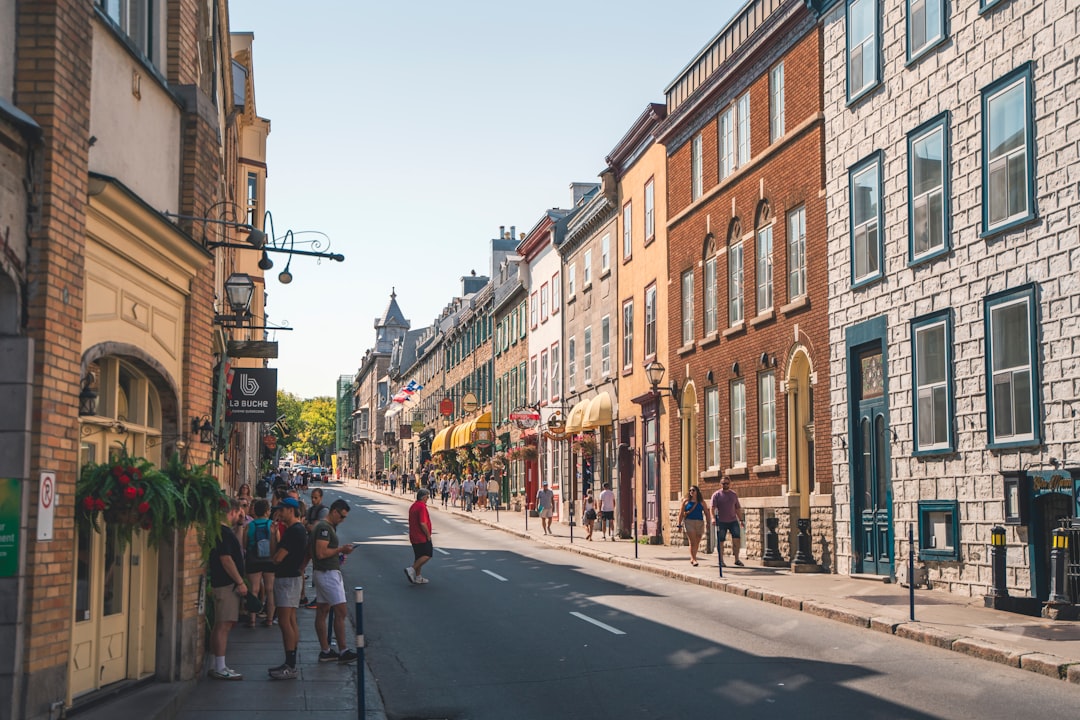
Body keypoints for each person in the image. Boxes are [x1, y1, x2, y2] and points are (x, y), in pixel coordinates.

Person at [311, 499, 359, 664]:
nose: (342, 520)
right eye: (342, 516)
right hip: (327, 574)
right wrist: (341, 549)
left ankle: (326, 651)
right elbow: (321, 553)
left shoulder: (325, 526)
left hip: (324, 572)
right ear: (334, 511)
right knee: (341, 611)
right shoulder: (324, 528)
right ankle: (343, 650)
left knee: (323, 611)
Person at [268, 497, 308, 680]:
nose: (279, 513)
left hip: (287, 579)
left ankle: (290, 665)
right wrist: (273, 534)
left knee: (285, 621)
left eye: (282, 510)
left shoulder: (294, 531)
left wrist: (275, 558)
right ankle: (290, 662)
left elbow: (277, 557)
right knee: (290, 620)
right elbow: (275, 553)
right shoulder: (296, 530)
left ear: (291, 510)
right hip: (291, 577)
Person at [208, 498, 247, 680]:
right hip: (226, 585)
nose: (239, 516)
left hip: (224, 584)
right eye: (238, 513)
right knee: (224, 625)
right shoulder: (223, 532)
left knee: (221, 624)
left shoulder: (223, 531)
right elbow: (226, 559)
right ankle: (220, 667)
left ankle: (216, 664)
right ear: (232, 512)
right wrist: (240, 582)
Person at [244, 498, 278, 628]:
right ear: (267, 511)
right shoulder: (272, 525)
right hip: (269, 560)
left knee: (254, 590)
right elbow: (277, 541)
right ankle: (269, 619)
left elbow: (244, 544)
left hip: (253, 560)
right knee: (270, 590)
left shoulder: (250, 525)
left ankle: (252, 620)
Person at [710, 479, 745, 566]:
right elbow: (712, 508)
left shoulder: (733, 494)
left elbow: (737, 508)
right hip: (721, 521)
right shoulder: (716, 495)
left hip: (733, 521)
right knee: (721, 541)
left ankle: (737, 559)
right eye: (723, 483)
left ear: (730, 484)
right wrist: (713, 518)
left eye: (727, 483)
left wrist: (741, 520)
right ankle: (721, 560)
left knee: (737, 539)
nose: (725, 485)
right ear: (720, 484)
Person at [405, 488, 433, 584]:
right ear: (423, 497)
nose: (428, 499)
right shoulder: (421, 507)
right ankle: (411, 569)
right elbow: (422, 523)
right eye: (427, 497)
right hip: (421, 536)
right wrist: (428, 535)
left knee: (418, 556)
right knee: (427, 554)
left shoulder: (413, 506)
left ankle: (418, 577)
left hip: (413, 535)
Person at [677, 486, 709, 566]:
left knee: (697, 541)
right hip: (689, 522)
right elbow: (681, 513)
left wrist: (708, 523)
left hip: (699, 522)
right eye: (690, 490)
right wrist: (679, 525)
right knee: (692, 541)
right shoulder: (686, 501)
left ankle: (693, 557)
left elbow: (706, 512)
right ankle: (694, 559)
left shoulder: (701, 502)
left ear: (697, 492)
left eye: (693, 490)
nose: (691, 491)